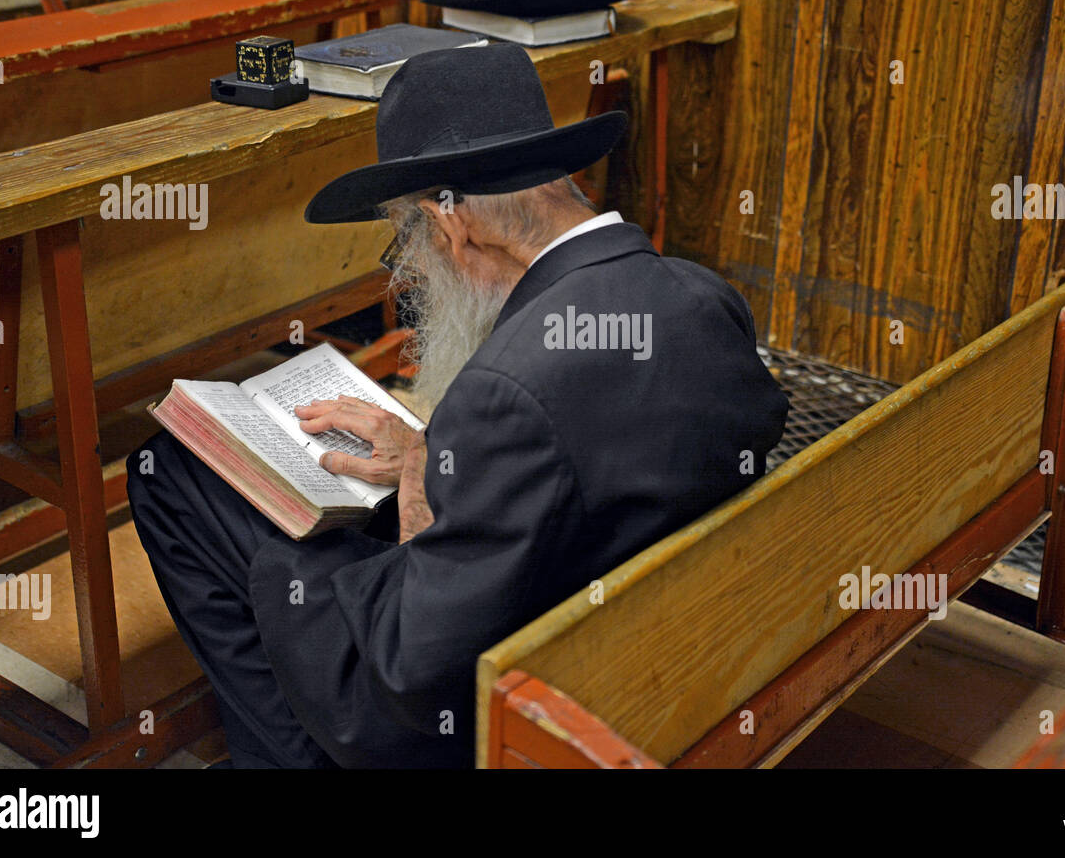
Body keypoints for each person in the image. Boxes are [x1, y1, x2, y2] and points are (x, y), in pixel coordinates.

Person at [127, 43, 789, 767]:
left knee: (175, 475)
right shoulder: (706, 298)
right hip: (651, 640)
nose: (413, 268)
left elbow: (411, 671)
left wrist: (417, 511)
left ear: (449, 225)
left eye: (407, 240)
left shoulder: (503, 393)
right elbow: (599, 450)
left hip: (495, 701)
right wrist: (428, 453)